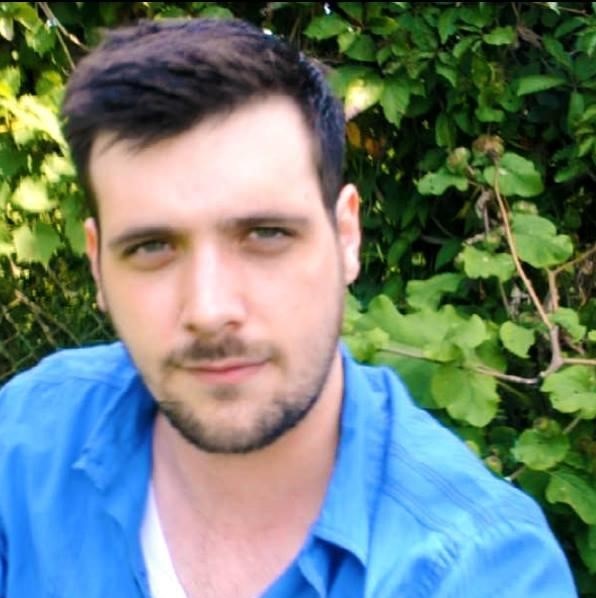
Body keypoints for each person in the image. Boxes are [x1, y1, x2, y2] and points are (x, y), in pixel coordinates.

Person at [0, 17, 577, 598]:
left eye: (266, 234)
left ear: (346, 237)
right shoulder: (25, 444)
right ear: (98, 265)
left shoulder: (482, 569)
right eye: (152, 247)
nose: (209, 309)